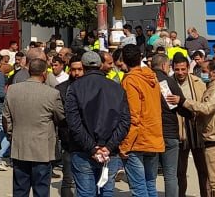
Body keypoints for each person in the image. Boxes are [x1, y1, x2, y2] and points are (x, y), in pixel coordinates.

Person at [65, 51, 130, 197]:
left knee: (87, 193)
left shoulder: (75, 87)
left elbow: (73, 123)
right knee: (106, 192)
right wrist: (107, 147)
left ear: (83, 66)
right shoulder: (116, 88)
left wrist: (96, 148)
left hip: (86, 150)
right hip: (103, 151)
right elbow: (125, 121)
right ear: (101, 65)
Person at [168, 61, 215, 196]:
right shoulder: (211, 86)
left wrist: (183, 101)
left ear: (213, 73)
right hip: (203, 136)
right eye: (177, 69)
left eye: (203, 71)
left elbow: (206, 108)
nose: (201, 73)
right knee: (185, 173)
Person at [2, 58, 64, 197]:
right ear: (44, 73)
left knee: (20, 189)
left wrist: (11, 135)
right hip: (42, 149)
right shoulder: (52, 94)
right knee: (41, 190)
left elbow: (6, 118)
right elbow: (60, 117)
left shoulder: (13, 90)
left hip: (20, 146)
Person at [119, 44, 164, 197]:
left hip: (137, 140)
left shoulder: (131, 80)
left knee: (139, 188)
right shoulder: (151, 76)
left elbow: (133, 116)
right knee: (150, 184)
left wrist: (125, 146)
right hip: (153, 136)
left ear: (124, 60)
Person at [171, 54, 209, 197]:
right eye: (177, 69)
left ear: (188, 68)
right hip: (179, 132)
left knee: (203, 170)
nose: (180, 72)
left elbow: (204, 106)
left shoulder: (199, 83)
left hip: (197, 130)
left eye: (183, 69)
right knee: (180, 171)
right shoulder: (168, 83)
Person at [150, 53, 182, 197]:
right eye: (169, 66)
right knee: (170, 175)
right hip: (169, 133)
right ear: (164, 65)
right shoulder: (167, 82)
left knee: (150, 175)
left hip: (151, 133)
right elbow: (180, 105)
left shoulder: (146, 81)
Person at [53, 56, 84, 197]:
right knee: (68, 180)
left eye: (80, 69)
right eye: (73, 70)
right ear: (69, 70)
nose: (76, 73)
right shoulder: (61, 89)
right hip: (69, 141)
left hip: (88, 142)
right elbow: (59, 116)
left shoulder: (90, 87)